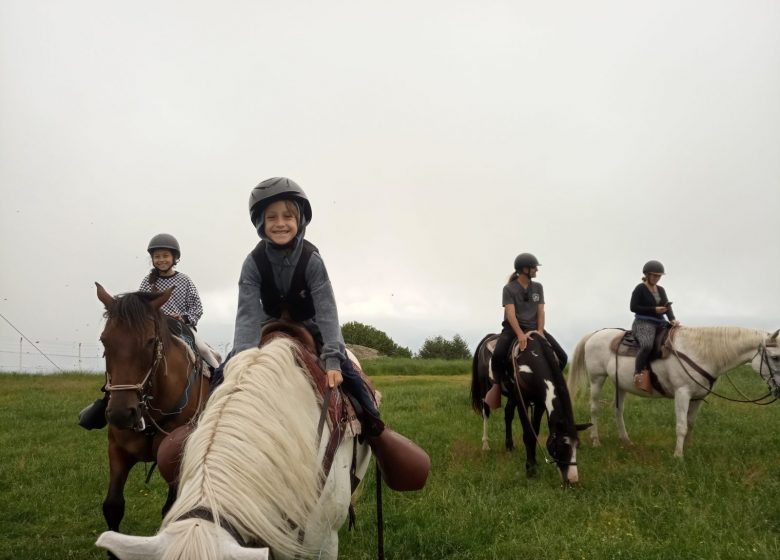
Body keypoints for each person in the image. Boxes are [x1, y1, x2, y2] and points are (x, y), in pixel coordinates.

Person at [215, 177, 383, 436]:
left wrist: (333, 362)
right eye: (272, 217)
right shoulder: (253, 262)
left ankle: (375, 426)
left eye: (287, 216)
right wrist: (242, 360)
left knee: (351, 376)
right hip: (268, 323)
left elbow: (326, 310)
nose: (280, 223)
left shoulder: (312, 260)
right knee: (219, 376)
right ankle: (202, 425)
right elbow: (247, 314)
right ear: (261, 222)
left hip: (310, 324)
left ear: (300, 220)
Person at [78, 234, 217, 430]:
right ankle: (110, 398)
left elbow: (197, 307)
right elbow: (138, 308)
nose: (161, 260)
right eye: (157, 256)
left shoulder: (185, 281)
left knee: (202, 348)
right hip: (154, 327)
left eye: (165, 256)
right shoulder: (147, 282)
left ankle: (219, 377)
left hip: (180, 326)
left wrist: (184, 318)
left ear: (174, 258)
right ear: (152, 259)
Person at [491, 253, 568, 392]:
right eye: (534, 268)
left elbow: (541, 311)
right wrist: (520, 334)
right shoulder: (509, 289)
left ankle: (548, 386)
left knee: (562, 356)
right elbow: (510, 313)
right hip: (513, 329)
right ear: (524, 269)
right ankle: (500, 386)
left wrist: (540, 331)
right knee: (498, 355)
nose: (537, 270)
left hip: (534, 328)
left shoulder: (538, 287)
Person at [630, 260, 679, 393]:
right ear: (647, 274)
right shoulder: (640, 288)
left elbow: (666, 306)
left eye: (659, 276)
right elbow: (633, 307)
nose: (657, 278)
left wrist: (672, 319)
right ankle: (638, 374)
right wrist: (654, 310)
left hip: (660, 322)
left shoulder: (661, 290)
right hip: (643, 322)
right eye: (654, 275)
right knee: (647, 345)